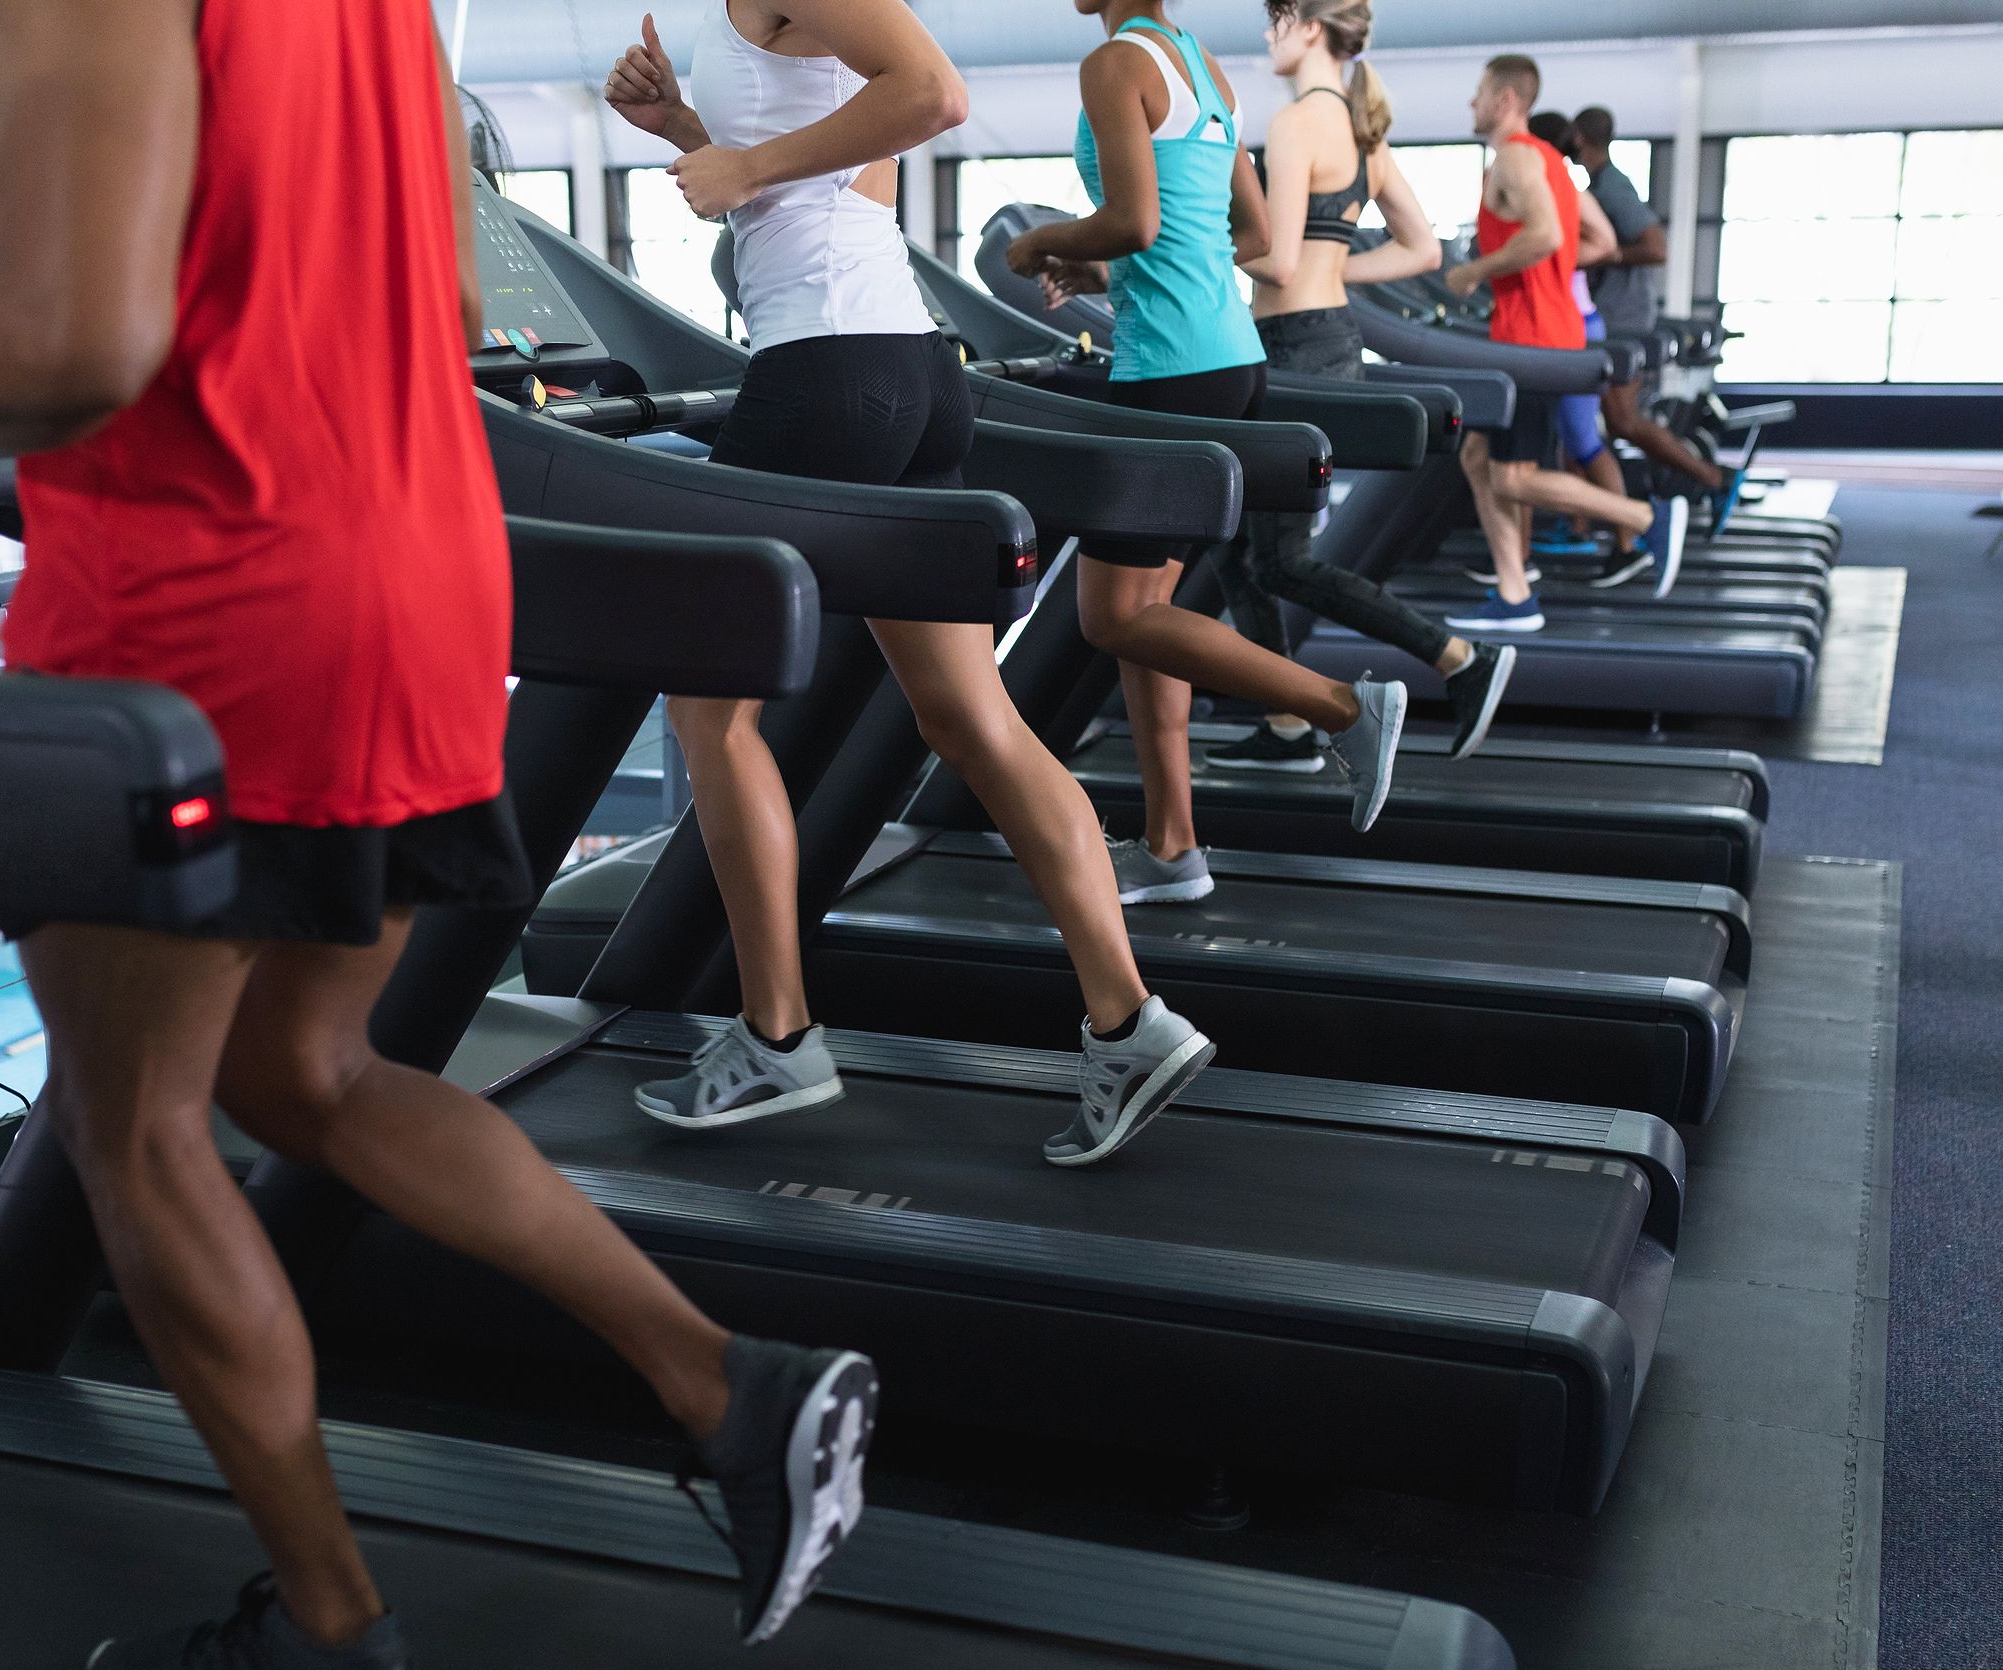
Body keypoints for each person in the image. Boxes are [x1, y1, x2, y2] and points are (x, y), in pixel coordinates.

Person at [0, 0, 877, 1670]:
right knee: (310, 1069)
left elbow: (75, 339)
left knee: (137, 1126)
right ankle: (727, 1388)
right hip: (418, 566)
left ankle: (333, 1635)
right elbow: (443, 301)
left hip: (207, 609)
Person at [606, 1, 1217, 1161]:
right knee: (966, 711)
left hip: (828, 369)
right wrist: (684, 127)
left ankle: (777, 1038)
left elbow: (932, 94)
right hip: (896, 369)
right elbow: (808, 165)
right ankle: (1128, 1022)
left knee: (706, 712)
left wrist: (738, 163)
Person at [999, 0, 1407, 908]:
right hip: (1230, 362)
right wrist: (1110, 268)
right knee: (1146, 615)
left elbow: (1134, 219)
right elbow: (1250, 239)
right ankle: (1173, 844)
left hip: (1168, 372)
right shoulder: (1204, 68)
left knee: (1110, 617)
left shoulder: (1114, 65)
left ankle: (1343, 708)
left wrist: (1045, 240)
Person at [1203, 0, 1515, 778]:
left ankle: (1458, 657)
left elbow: (1273, 262)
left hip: (1292, 348)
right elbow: (1423, 248)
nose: (1268, 34)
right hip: (1324, 338)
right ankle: (1285, 722)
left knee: (1277, 559)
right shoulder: (1360, 131)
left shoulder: (1299, 121)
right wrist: (1337, 270)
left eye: (1277, 20)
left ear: (1309, 27)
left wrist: (1175, 259)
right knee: (1239, 554)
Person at [1440, 54, 1689, 634]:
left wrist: (1477, 271)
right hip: (1546, 330)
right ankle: (1514, 594)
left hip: (1530, 341)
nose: (1471, 103)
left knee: (1515, 477)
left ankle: (1646, 518)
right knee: (1478, 457)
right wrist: (1546, 275)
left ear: (1506, 100)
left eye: (1478, 92)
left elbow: (1548, 233)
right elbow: (1597, 240)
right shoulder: (1554, 162)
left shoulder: (1515, 156)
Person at [1571, 104, 1740, 547]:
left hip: (1622, 318)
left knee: (1623, 421)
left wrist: (1605, 253)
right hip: (1612, 315)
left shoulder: (1613, 187)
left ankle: (1714, 478)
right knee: (1584, 423)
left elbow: (1656, 247)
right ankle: (1579, 523)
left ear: (1579, 137)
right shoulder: (1597, 185)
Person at [1529, 108, 1634, 568]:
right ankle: (1578, 527)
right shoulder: (1561, 189)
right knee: (1571, 441)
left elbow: (1607, 245)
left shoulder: (1557, 191)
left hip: (1572, 327)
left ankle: (1633, 538)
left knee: (1584, 441)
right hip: (1573, 324)